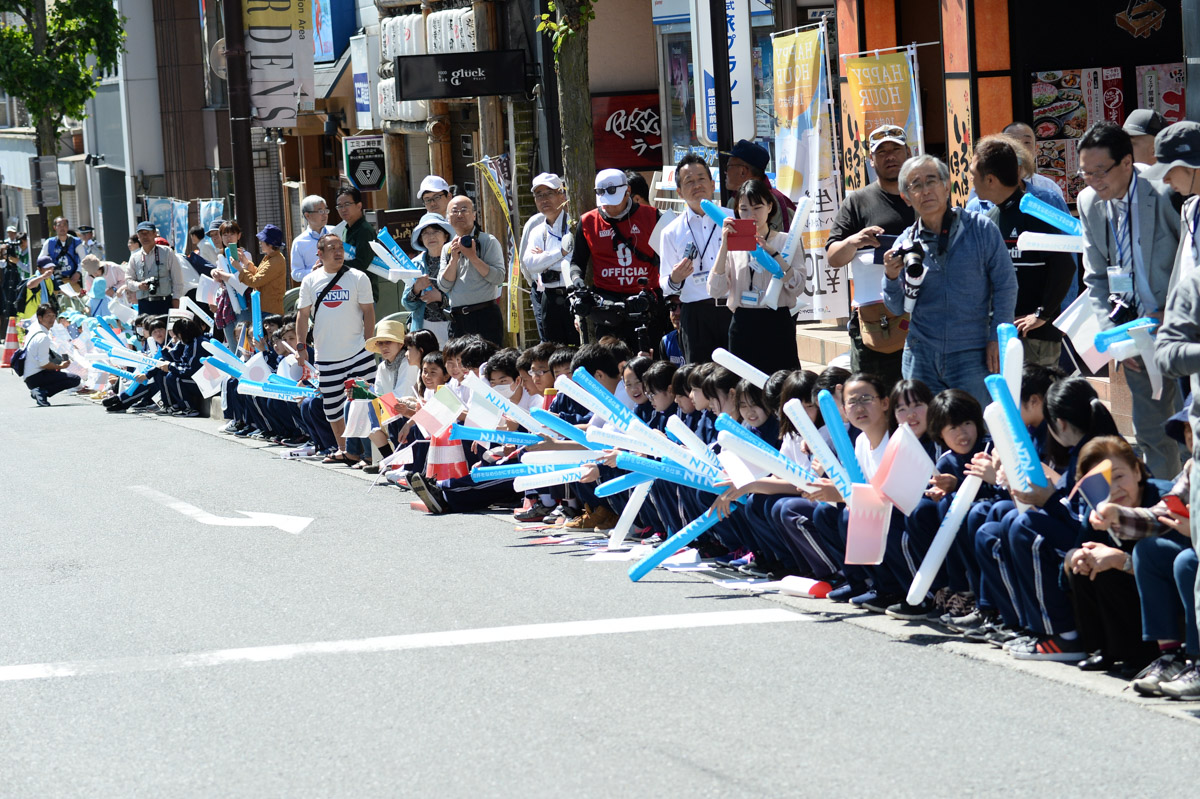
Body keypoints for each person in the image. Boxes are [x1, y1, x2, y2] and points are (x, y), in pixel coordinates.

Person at [1078, 120, 1182, 479]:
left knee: (1189, 426)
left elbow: (1192, 258)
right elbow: (1094, 277)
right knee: (1154, 432)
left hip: (1181, 325)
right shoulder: (1089, 201)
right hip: (1135, 335)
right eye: (1085, 173)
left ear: (1126, 162)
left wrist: (1175, 311)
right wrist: (1118, 338)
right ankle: (1170, 508)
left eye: (1100, 171)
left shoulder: (1165, 190)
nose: (1093, 180)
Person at [882, 154, 1018, 407]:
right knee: (925, 432)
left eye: (931, 181)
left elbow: (1005, 285)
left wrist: (996, 337)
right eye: (916, 185)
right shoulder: (905, 242)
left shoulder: (981, 229)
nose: (925, 191)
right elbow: (896, 307)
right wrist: (890, 276)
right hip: (921, 353)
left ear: (947, 186)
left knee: (976, 428)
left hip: (973, 351)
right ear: (906, 197)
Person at [970, 135, 1076, 367]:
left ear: (990, 180)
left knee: (1036, 401)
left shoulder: (1037, 212)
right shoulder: (988, 219)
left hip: (1035, 338)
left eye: (973, 175)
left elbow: (1065, 266)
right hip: (1000, 337)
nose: (971, 181)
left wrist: (1042, 315)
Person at [825, 124, 916, 389]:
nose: (890, 157)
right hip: (875, 322)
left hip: (922, 316)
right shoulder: (857, 202)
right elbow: (833, 257)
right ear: (871, 160)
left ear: (908, 153)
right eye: (882, 152)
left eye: (896, 150)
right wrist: (855, 241)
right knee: (872, 397)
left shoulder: (923, 197)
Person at [708, 179, 803, 374]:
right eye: (743, 209)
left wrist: (773, 254)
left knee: (780, 385)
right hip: (743, 322)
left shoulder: (786, 241)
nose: (750, 215)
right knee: (744, 389)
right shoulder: (732, 246)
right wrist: (725, 246)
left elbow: (798, 285)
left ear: (770, 206)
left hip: (777, 321)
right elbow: (716, 289)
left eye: (757, 207)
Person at [295, 233, 376, 462]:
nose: (338, 251)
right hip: (326, 355)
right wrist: (301, 347)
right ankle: (345, 450)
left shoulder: (358, 277)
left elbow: (368, 312)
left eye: (340, 247)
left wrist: (369, 345)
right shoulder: (310, 281)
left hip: (359, 352)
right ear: (319, 254)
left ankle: (369, 452)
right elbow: (302, 315)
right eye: (332, 248)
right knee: (332, 405)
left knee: (365, 401)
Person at [570, 168, 663, 349]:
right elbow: (577, 262)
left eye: (614, 201)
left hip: (644, 303)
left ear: (628, 191)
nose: (609, 207)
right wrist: (577, 280)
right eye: (604, 202)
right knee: (608, 365)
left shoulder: (652, 216)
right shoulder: (588, 221)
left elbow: (666, 259)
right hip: (607, 306)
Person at [657, 154, 728, 362]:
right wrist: (675, 278)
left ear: (713, 184)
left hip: (731, 308)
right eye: (689, 181)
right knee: (700, 380)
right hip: (695, 313)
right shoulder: (670, 231)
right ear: (679, 192)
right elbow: (665, 284)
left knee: (737, 379)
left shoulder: (731, 218)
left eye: (701, 179)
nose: (697, 185)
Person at [438, 194, 506, 345]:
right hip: (457, 319)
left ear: (474, 215)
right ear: (448, 218)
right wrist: (454, 259)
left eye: (464, 210)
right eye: (454, 211)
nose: (459, 214)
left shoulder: (488, 241)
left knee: (488, 364)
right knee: (459, 366)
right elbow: (444, 286)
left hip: (484, 315)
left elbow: (498, 278)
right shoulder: (447, 248)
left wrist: (473, 257)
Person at [519, 172, 576, 345]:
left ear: (562, 194)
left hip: (572, 295)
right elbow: (530, 264)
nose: (544, 200)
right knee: (553, 352)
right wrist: (560, 252)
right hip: (549, 298)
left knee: (578, 348)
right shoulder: (537, 230)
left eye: (549, 193)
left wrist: (544, 258)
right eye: (539, 195)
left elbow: (571, 261)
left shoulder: (573, 225)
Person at [723, 139, 795, 232]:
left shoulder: (778, 202)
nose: (725, 172)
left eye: (728, 167)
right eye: (744, 209)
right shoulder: (733, 200)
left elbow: (785, 244)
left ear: (742, 171)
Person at [403, 212, 454, 343]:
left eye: (436, 231)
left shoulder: (456, 259)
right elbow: (407, 304)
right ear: (420, 238)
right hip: (422, 329)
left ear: (446, 235)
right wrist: (415, 289)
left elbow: (465, 297)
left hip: (453, 328)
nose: (430, 236)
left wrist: (440, 298)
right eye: (425, 233)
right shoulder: (415, 263)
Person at [22, 302, 80, 406]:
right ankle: (42, 391)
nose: (51, 319)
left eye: (53, 316)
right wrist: (60, 366)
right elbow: (44, 364)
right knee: (75, 379)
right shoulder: (43, 337)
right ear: (40, 318)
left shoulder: (34, 329)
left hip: (30, 376)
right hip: (36, 376)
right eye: (48, 316)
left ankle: (39, 391)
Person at [335, 186, 380, 305]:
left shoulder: (364, 230)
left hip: (364, 294)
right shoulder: (346, 228)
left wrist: (334, 265)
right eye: (339, 206)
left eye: (347, 204)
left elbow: (361, 263)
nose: (343, 209)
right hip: (350, 291)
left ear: (359, 205)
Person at [125, 221, 178, 316]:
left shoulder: (167, 252)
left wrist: (176, 298)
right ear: (138, 237)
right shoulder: (134, 257)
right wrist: (138, 285)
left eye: (148, 233)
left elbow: (177, 279)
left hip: (165, 303)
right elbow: (128, 280)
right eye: (142, 234)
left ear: (155, 234)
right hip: (144, 304)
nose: (145, 236)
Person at [234, 224, 288, 315]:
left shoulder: (275, 261)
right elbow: (259, 276)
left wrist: (240, 269)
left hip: (270, 311)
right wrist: (246, 263)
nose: (260, 243)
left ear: (270, 244)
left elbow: (255, 281)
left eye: (262, 241)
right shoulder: (270, 257)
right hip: (265, 308)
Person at [289, 195, 332, 281]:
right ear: (307, 215)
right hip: (315, 288)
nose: (325, 214)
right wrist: (312, 271)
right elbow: (296, 274)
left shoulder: (336, 232)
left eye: (326, 210)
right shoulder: (299, 242)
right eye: (320, 211)